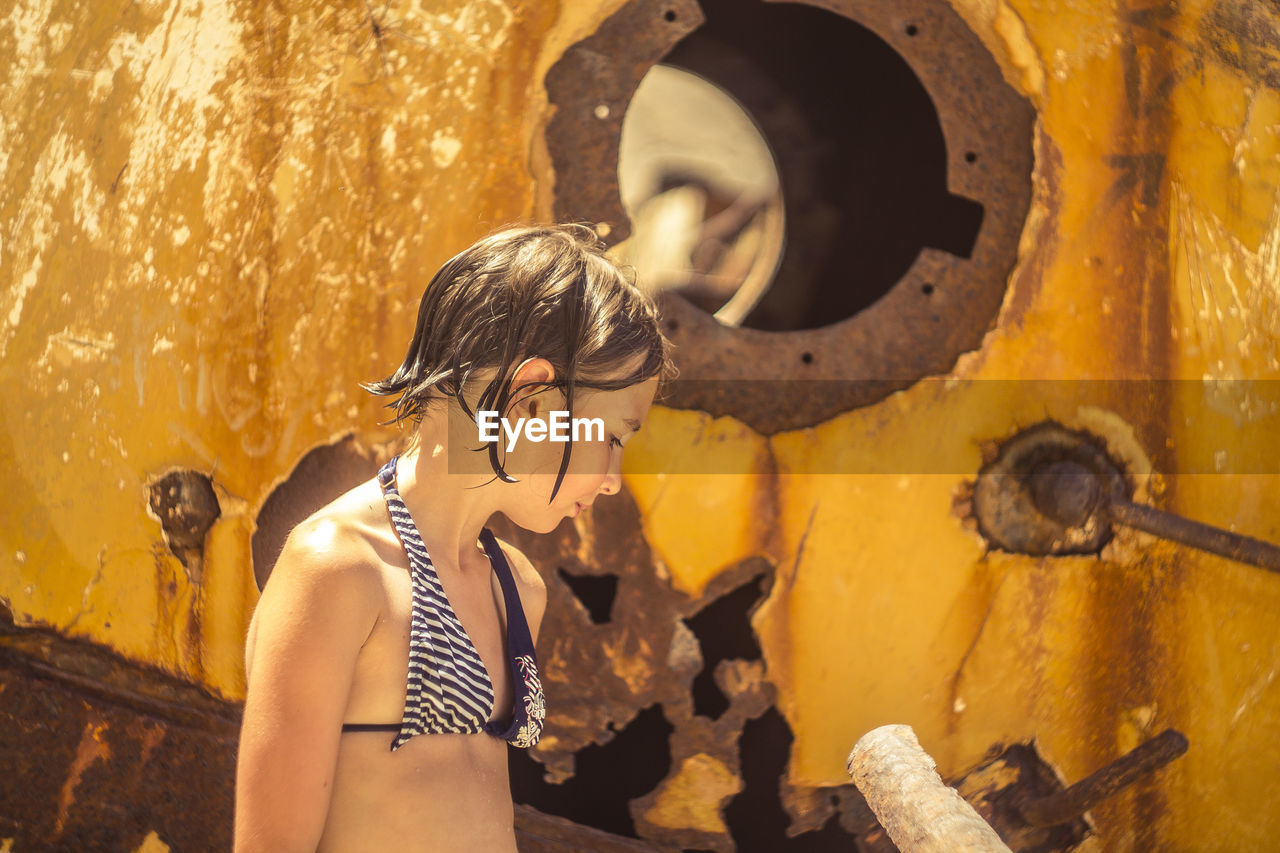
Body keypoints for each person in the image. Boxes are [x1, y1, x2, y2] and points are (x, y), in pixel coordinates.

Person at [233, 224, 675, 852]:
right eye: (614, 438)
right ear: (530, 402)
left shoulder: (517, 588)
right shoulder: (338, 567)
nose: (611, 481)